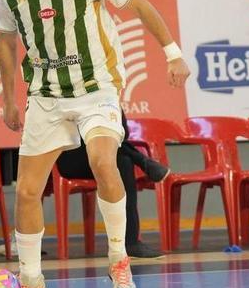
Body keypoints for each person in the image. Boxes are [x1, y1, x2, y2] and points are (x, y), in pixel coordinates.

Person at [0, 0, 190, 288]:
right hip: (45, 95)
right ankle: (31, 279)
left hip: (96, 87)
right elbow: (6, 41)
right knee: (27, 190)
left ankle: (119, 259)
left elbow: (140, 5)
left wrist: (173, 54)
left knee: (103, 160)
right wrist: (8, 97)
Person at [56, 110, 168, 258]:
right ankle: (143, 161)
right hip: (72, 158)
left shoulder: (104, 99)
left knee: (123, 160)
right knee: (102, 142)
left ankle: (130, 243)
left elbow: (123, 133)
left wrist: (112, 109)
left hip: (103, 158)